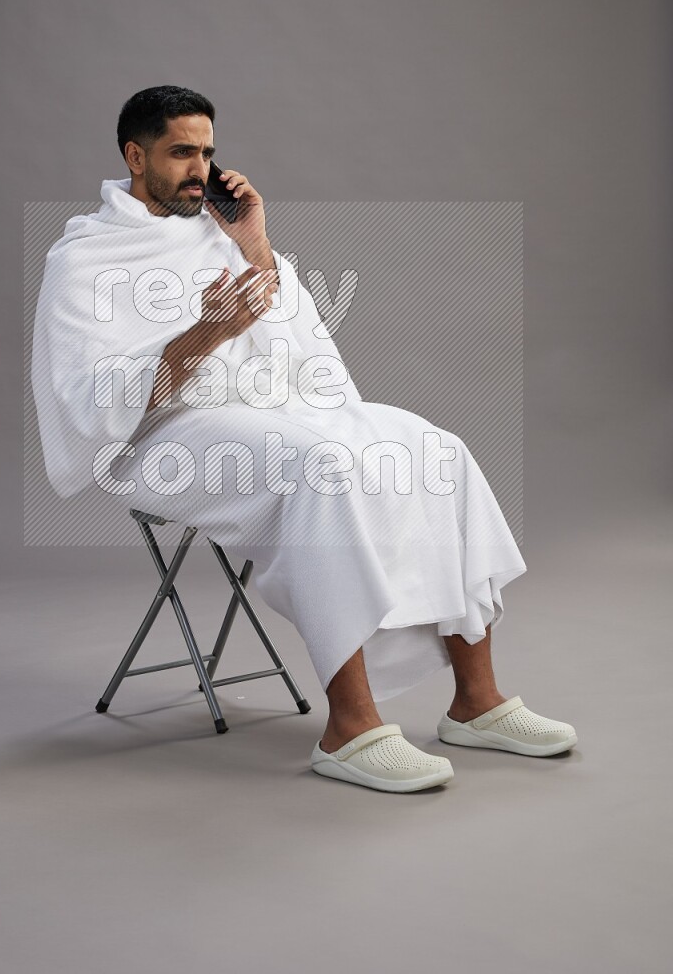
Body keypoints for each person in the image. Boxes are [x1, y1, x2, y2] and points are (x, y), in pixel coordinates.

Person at [31, 84, 578, 794]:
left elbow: (298, 350)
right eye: (181, 153)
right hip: (162, 437)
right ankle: (348, 727)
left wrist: (255, 244)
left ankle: (476, 702)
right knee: (321, 466)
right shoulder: (84, 259)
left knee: (435, 449)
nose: (200, 169)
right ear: (135, 156)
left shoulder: (219, 233)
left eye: (207, 152)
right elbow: (92, 402)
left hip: (270, 409)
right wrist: (206, 335)